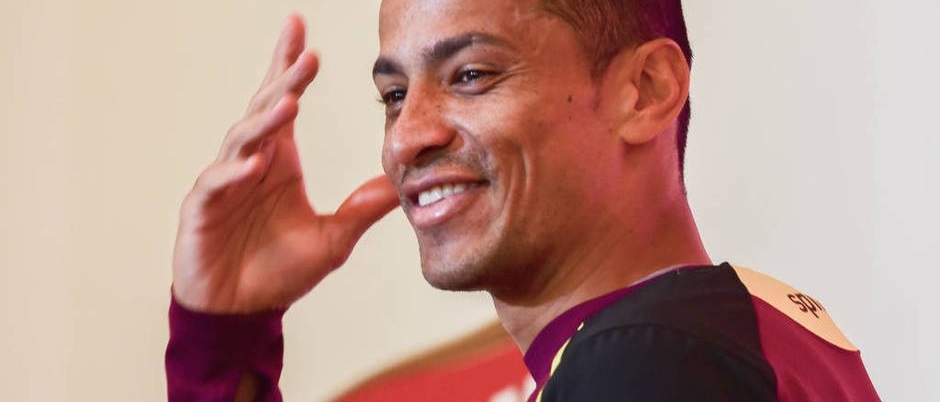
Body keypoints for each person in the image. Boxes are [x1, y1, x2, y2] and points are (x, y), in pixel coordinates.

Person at [166, 0, 882, 401]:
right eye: (394, 95)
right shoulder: (737, 330)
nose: (407, 137)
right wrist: (225, 337)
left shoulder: (648, 360)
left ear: (646, 91)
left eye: (471, 75)